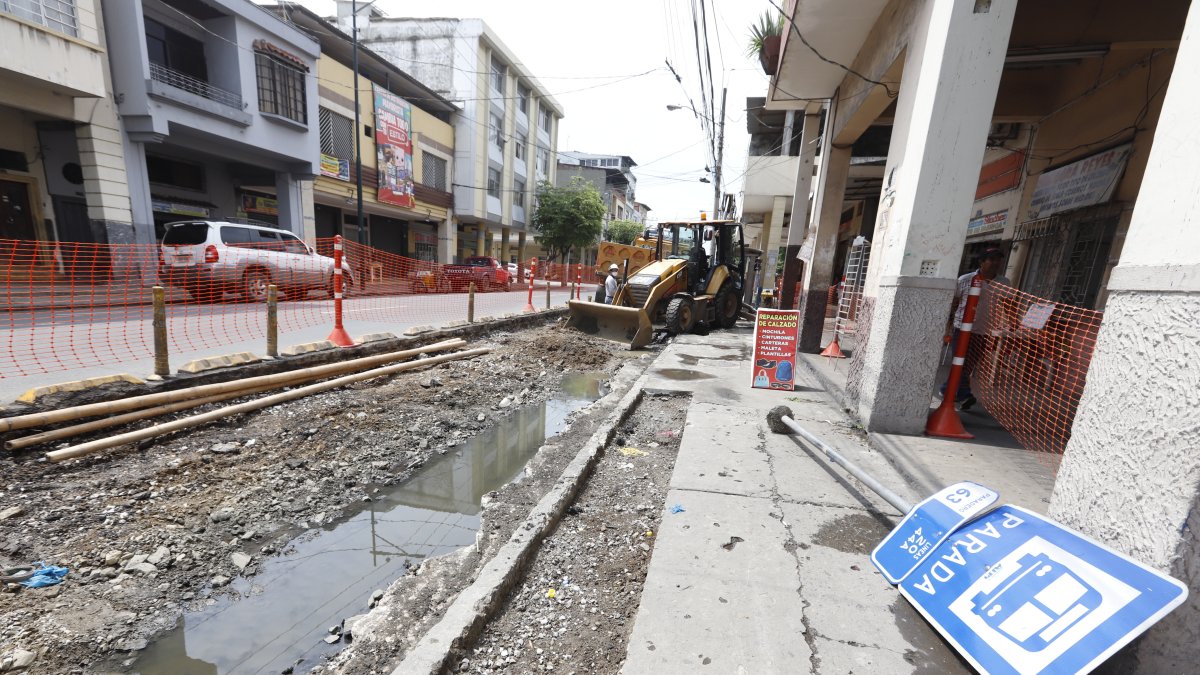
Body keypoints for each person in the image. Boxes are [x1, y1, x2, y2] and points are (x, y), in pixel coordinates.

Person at [944, 247, 1010, 410]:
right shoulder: (965, 279)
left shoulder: (1004, 283)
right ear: (981, 262)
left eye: (998, 260)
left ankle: (947, 390)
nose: (996, 263)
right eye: (992, 259)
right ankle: (964, 394)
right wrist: (948, 326)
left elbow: (1009, 305)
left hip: (984, 330)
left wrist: (1011, 323)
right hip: (962, 328)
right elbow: (955, 303)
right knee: (959, 362)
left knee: (969, 365)